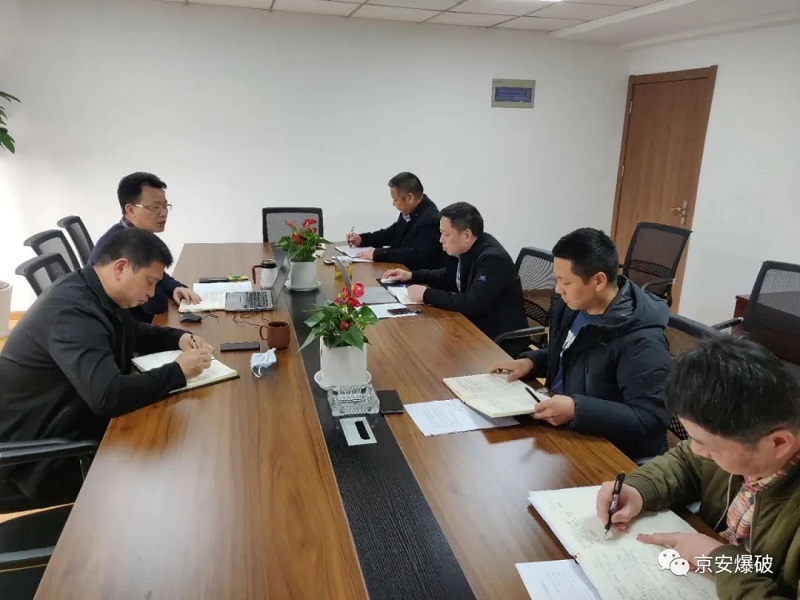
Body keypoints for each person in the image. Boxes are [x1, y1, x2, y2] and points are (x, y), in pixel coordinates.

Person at [0, 229, 214, 507]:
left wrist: (177, 338)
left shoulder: (93, 289)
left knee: (174, 439)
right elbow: (107, 396)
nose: (151, 294)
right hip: (38, 459)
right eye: (149, 282)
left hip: (71, 421)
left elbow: (127, 329)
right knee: (166, 470)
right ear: (121, 268)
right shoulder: (71, 314)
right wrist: (178, 372)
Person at [596, 336, 800, 599]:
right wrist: (638, 490)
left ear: (778, 443)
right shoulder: (745, 442)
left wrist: (719, 559)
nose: (695, 449)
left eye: (707, 445)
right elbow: (685, 462)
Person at [489, 227, 670, 460]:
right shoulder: (574, 306)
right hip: (558, 425)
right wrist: (531, 362)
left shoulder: (642, 341)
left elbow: (650, 418)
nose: (557, 289)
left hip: (605, 450)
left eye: (565, 281)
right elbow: (571, 354)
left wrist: (576, 410)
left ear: (598, 281)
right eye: (557, 279)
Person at [382, 202, 527, 355]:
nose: (441, 240)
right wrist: (411, 275)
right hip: (474, 325)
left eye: (446, 234)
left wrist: (426, 294)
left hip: (496, 341)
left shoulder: (492, 259)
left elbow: (472, 303)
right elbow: (447, 275)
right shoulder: (470, 247)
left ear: (466, 235)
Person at [88, 171, 201, 322]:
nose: (163, 213)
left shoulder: (133, 236)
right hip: (120, 327)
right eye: (155, 207)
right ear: (130, 210)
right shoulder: (124, 249)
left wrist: (174, 287)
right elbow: (156, 305)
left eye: (165, 206)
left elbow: (156, 274)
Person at [345, 172, 450, 270]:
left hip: (416, 276)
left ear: (410, 198)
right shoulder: (410, 210)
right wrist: (362, 239)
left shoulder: (430, 220)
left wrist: (377, 254)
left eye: (395, 199)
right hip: (397, 269)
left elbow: (415, 254)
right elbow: (391, 233)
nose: (393, 204)